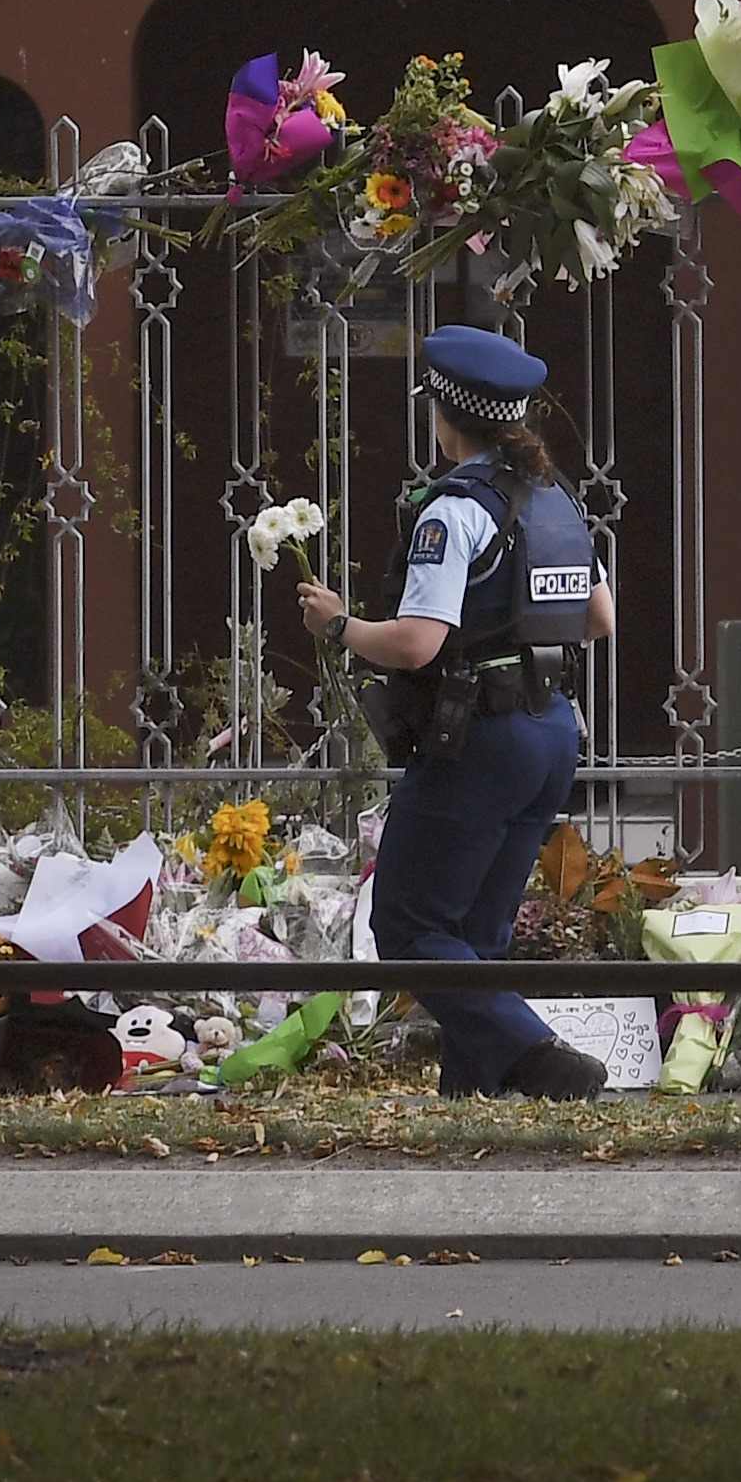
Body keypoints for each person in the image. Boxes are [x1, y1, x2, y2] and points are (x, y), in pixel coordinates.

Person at [293, 322, 613, 1097]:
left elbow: (416, 643)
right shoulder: (556, 501)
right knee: (475, 931)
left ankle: (540, 1059)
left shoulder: (454, 509)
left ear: (445, 416)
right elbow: (600, 618)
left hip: (480, 736)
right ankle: (472, 1089)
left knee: (406, 924)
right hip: (550, 730)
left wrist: (337, 624)